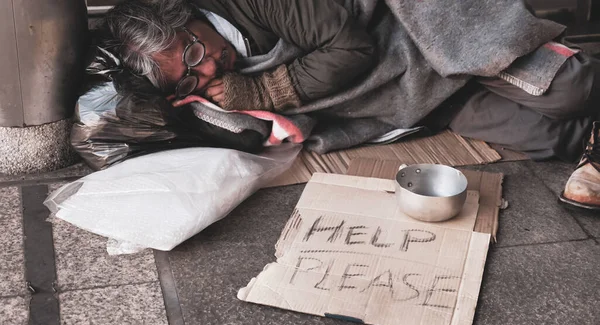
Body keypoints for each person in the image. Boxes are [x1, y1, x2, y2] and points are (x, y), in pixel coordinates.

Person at [98, 0, 599, 210]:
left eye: (193, 52)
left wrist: (267, 92)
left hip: (428, 40)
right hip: (412, 93)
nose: (206, 70)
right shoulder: (198, 80)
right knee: (554, 139)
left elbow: (349, 48)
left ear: (185, 16)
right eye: (187, 75)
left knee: (573, 92)